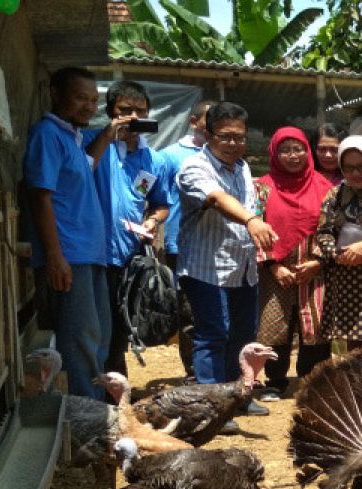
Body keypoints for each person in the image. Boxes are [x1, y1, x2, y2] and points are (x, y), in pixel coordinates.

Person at [175, 101, 277, 413]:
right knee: (212, 335)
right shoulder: (194, 168)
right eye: (226, 136)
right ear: (207, 134)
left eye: (240, 137)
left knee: (243, 335)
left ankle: (239, 397)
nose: (234, 144)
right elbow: (217, 198)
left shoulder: (243, 167)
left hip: (242, 267)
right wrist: (251, 220)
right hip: (206, 267)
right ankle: (212, 407)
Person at [24, 66, 109, 400]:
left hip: (90, 253)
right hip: (70, 255)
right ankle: (85, 416)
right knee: (79, 341)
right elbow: (40, 195)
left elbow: (84, 168)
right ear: (55, 94)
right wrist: (55, 257)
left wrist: (103, 140)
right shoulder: (47, 134)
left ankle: (94, 410)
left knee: (96, 337)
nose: (88, 106)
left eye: (93, 100)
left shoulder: (72, 138)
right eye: (80, 98)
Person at [84, 80, 172, 376]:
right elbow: (80, 172)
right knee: (93, 329)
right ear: (111, 112)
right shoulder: (90, 143)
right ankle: (96, 394)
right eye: (125, 110)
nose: (134, 117)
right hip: (91, 255)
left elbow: (162, 204)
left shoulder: (154, 160)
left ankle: (113, 395)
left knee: (120, 330)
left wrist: (151, 221)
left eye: (141, 111)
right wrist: (107, 137)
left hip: (128, 261)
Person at [254, 127, 332, 401]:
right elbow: (254, 227)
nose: (292, 155)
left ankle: (312, 381)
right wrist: (273, 266)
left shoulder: (325, 187)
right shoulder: (262, 187)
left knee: (316, 322)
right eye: (284, 150)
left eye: (298, 148)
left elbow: (333, 227)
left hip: (314, 266)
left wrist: (319, 262)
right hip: (276, 269)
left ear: (307, 151)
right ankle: (274, 381)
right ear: (274, 153)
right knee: (275, 322)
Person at [314, 135, 362, 350]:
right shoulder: (336, 193)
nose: (356, 174)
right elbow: (324, 231)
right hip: (346, 279)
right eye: (349, 168)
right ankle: (357, 385)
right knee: (353, 344)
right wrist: (340, 255)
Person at [158, 98, 215, 380]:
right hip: (182, 245)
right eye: (210, 120)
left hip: (217, 245)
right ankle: (195, 375)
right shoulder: (169, 157)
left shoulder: (223, 156)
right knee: (190, 312)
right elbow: (148, 190)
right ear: (194, 122)